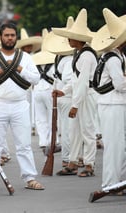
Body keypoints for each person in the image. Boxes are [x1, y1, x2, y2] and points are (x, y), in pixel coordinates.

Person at [0, 22, 45, 190]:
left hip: (20, 105)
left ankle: (30, 178)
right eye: (6, 35)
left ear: (16, 38)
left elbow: (36, 79)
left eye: (12, 35)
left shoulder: (26, 58)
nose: (9, 38)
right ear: (0, 37)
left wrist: (21, 70)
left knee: (24, 144)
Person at [52, 8, 98, 177]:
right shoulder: (78, 54)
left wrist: (75, 105)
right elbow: (74, 79)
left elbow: (84, 83)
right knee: (75, 130)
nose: (68, 40)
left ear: (78, 39)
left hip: (87, 95)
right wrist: (63, 91)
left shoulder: (86, 56)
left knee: (87, 130)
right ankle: (73, 162)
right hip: (80, 94)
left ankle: (89, 164)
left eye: (70, 37)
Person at [91, 8, 126, 192]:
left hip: (116, 104)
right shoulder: (113, 58)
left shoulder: (117, 56)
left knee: (120, 146)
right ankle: (111, 183)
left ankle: (119, 182)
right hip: (112, 104)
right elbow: (120, 85)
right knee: (114, 146)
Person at [43, 16, 75, 167]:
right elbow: (66, 81)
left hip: (64, 96)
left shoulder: (63, 59)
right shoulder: (66, 59)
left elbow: (66, 81)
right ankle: (69, 158)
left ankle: (69, 158)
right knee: (68, 130)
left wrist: (60, 91)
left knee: (67, 130)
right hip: (65, 97)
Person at [31, 29, 59, 151]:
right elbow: (57, 77)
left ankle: (43, 140)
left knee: (40, 117)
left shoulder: (34, 60)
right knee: (52, 116)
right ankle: (54, 139)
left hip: (37, 90)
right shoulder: (54, 60)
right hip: (50, 90)